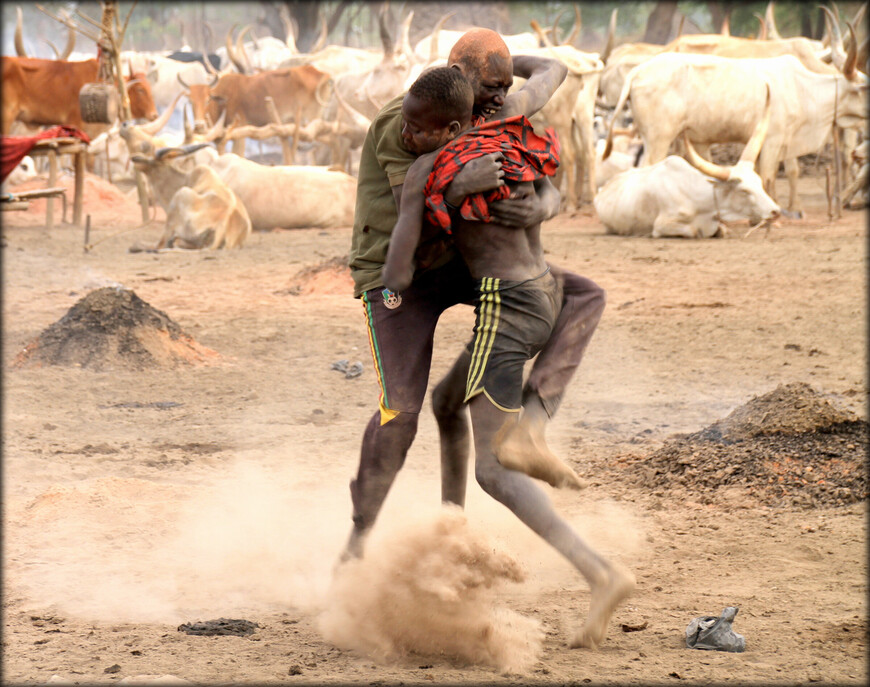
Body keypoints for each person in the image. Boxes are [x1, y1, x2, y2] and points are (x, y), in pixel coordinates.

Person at [381, 66, 635, 650]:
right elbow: (553, 74)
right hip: (545, 291)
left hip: (506, 306)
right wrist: (497, 72)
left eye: (414, 127)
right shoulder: (510, 129)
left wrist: (393, 290)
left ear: (447, 126)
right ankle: (453, 529)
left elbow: (397, 265)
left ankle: (601, 572)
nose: (404, 133)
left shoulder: (427, 167)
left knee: (494, 469)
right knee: (448, 404)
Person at [345, 29, 606, 565]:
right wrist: (461, 186)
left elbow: (550, 82)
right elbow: (408, 220)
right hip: (399, 269)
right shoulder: (409, 121)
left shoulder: (488, 112)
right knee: (403, 411)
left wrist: (544, 206)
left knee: (581, 295)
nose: (498, 97)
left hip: (465, 263)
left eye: (503, 87)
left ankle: (529, 429)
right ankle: (359, 539)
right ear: (456, 77)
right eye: (490, 86)